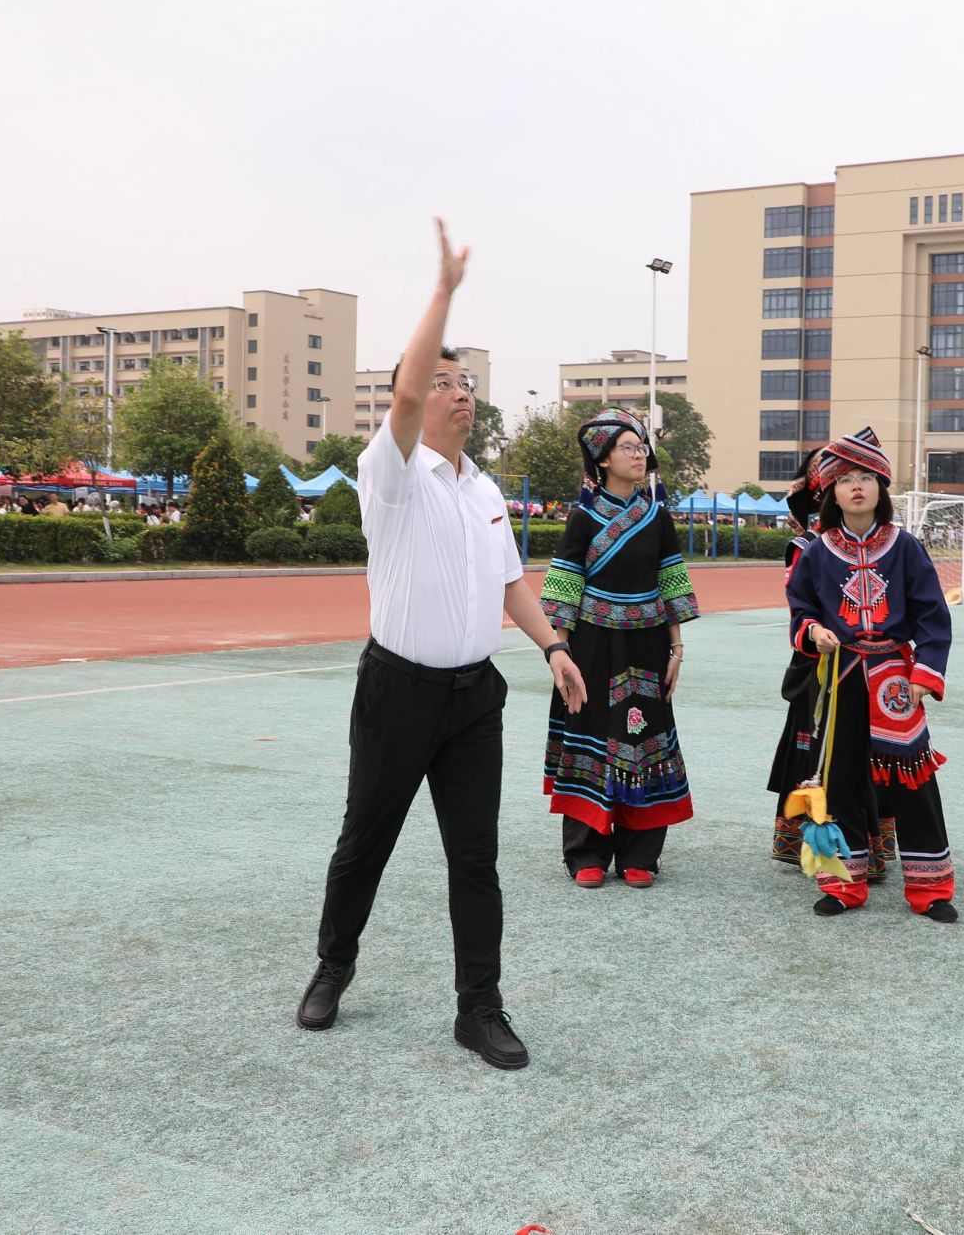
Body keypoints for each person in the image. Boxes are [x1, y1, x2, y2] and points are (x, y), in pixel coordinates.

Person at [297, 220, 585, 1071]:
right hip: (398, 693)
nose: (460, 393)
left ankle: (479, 1006)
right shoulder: (390, 475)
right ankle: (334, 964)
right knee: (366, 840)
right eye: (445, 381)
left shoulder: (484, 490)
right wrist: (443, 291)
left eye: (468, 384)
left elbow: (510, 584)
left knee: (476, 857)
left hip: (472, 698)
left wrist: (553, 646)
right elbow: (403, 396)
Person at [777, 427, 957, 921]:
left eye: (865, 477)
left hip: (893, 675)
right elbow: (800, 609)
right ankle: (843, 884)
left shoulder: (906, 547)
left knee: (913, 778)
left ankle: (931, 889)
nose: (856, 486)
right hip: (840, 676)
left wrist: (925, 674)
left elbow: (933, 616)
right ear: (831, 493)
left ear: (881, 487)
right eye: (845, 480)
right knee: (839, 779)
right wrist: (813, 631)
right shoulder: (817, 551)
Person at [538, 409, 698, 888]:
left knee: (645, 738)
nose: (638, 455)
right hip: (591, 645)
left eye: (641, 447)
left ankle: (640, 854)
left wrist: (676, 649)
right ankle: (585, 851)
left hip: (648, 644)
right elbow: (565, 588)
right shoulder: (583, 517)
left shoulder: (657, 517)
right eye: (627, 448)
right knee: (588, 732)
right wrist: (560, 655)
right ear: (603, 460)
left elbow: (671, 583)